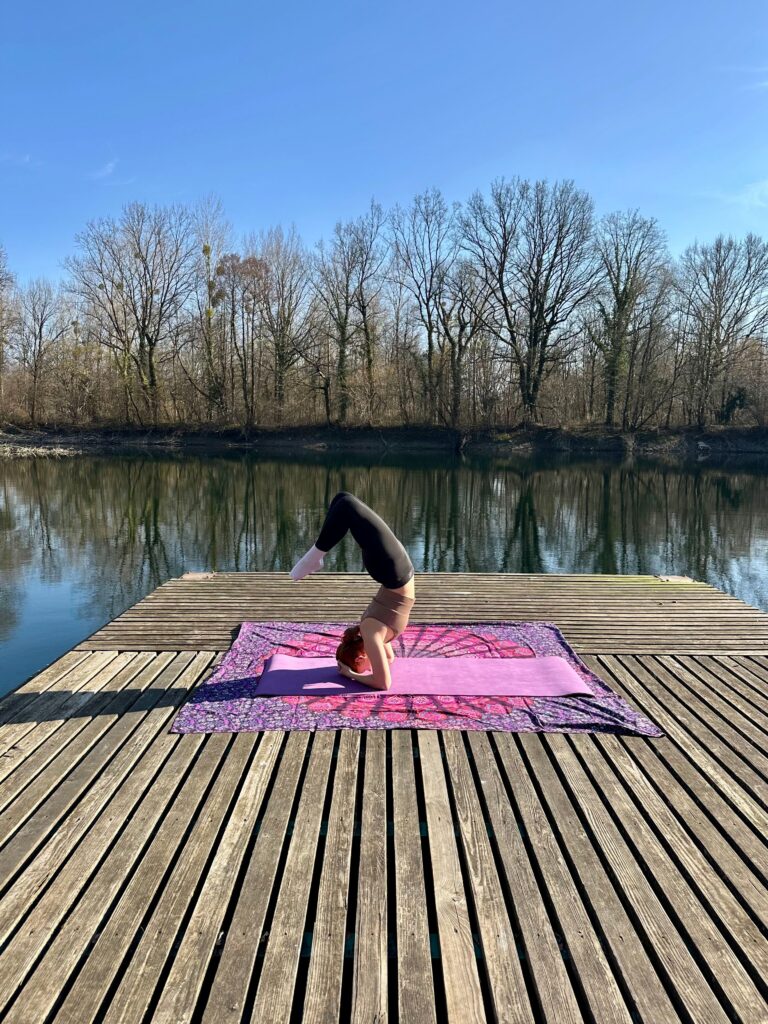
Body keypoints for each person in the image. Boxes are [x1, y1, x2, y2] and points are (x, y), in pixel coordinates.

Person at [289, 491, 415, 690]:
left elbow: (382, 681)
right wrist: (352, 672)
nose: (368, 669)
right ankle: (314, 558)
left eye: (364, 668)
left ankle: (313, 559)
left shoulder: (370, 633)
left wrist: (351, 674)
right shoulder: (372, 634)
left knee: (343, 501)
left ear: (361, 656)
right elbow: (387, 669)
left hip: (392, 570)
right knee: (345, 503)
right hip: (392, 570)